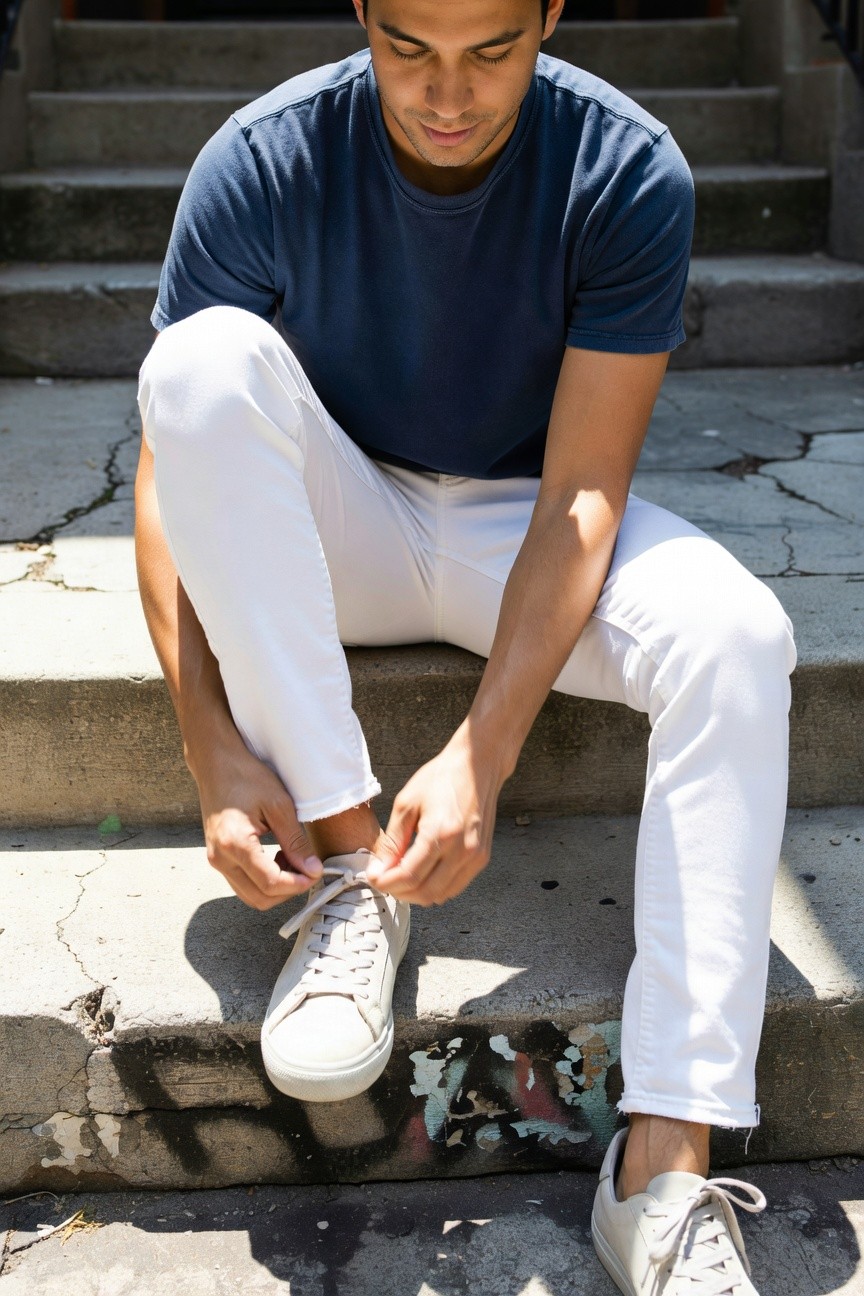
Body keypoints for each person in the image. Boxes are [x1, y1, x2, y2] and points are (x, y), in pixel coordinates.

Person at [134, 0, 796, 1289]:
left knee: (738, 636)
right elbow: (173, 474)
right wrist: (210, 746)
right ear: (363, 14)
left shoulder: (623, 166)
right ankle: (348, 875)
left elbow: (585, 492)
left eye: (492, 50)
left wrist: (484, 756)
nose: (447, 92)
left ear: (550, 17)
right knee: (200, 364)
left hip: (524, 523)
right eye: (407, 48)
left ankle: (663, 1164)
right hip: (339, 522)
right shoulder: (262, 159)